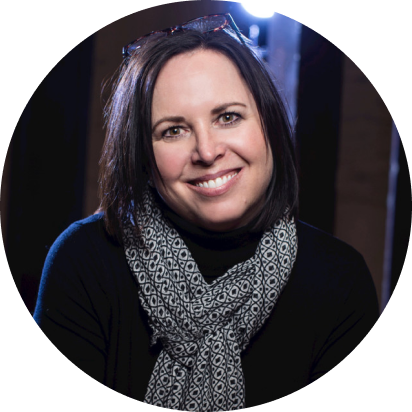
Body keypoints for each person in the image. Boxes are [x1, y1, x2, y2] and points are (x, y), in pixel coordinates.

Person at [33, 13, 379, 410]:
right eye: (173, 130)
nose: (208, 151)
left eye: (228, 117)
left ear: (268, 123)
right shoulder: (83, 262)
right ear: (143, 154)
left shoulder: (340, 282)